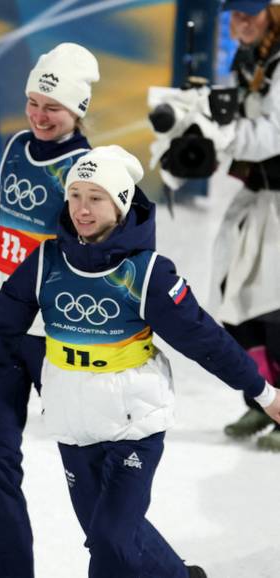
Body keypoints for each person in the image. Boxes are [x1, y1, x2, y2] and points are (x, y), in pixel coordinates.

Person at [0, 144, 280, 578]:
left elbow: (204, 340)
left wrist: (262, 391)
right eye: (75, 196)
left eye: (96, 198)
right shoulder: (46, 261)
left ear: (121, 204)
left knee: (110, 541)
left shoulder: (147, 274)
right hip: (74, 422)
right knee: (109, 535)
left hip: (134, 423)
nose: (82, 209)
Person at [0, 42, 97, 577]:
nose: (39, 114)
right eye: (33, 102)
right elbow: (13, 204)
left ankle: (145, 564)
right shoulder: (14, 147)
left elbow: (102, 244)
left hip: (55, 332)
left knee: (90, 459)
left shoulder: (86, 171)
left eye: (52, 107)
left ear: (77, 110)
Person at [211, 0, 280, 452]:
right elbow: (228, 112)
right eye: (236, 14)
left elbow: (272, 132)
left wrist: (222, 132)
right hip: (258, 192)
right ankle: (262, 398)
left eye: (252, 11)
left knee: (274, 307)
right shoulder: (244, 59)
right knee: (231, 296)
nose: (244, 22)